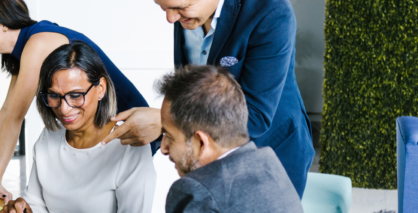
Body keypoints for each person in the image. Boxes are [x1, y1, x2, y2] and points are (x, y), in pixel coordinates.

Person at [104, 0, 315, 199]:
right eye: (163, 7)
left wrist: (163, 123)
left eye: (179, 7)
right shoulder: (187, 15)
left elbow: (256, 116)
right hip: (210, 161)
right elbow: (192, 95)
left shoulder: (271, 11)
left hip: (270, 151)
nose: (170, 18)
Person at [0, 0, 151, 202]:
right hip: (98, 129)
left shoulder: (38, 42)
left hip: (131, 128)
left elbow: (15, 117)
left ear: (1, 22)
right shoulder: (27, 45)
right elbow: (7, 110)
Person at [0, 42, 156, 213]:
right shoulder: (49, 138)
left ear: (100, 88)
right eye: (54, 96)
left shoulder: (129, 147)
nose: (64, 109)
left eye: (75, 95)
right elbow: (38, 208)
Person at [158, 65, 313, 213]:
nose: (163, 148)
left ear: (201, 142)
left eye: (168, 135)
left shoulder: (202, 194)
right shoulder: (269, 165)